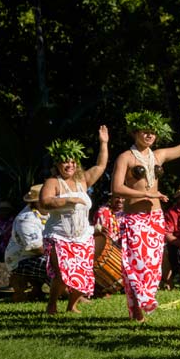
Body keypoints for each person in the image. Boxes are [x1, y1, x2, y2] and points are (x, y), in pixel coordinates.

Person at [112, 105, 180, 321]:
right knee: (135, 264)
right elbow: (116, 188)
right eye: (145, 131)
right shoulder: (125, 157)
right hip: (135, 218)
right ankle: (137, 308)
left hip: (154, 219)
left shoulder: (158, 155)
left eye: (153, 131)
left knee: (152, 266)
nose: (149, 135)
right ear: (135, 132)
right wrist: (148, 195)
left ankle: (140, 305)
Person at [40, 127, 110, 314]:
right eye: (65, 161)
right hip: (59, 236)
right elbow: (45, 202)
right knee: (63, 273)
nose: (69, 165)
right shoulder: (53, 182)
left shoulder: (83, 181)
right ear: (57, 164)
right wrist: (68, 199)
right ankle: (52, 304)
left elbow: (101, 166)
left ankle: (72, 305)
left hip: (82, 237)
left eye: (72, 161)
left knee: (84, 274)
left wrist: (103, 143)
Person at [5, 185, 50, 301]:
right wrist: (58, 253)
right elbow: (35, 248)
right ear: (36, 202)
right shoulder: (26, 219)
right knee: (55, 264)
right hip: (21, 260)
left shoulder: (49, 213)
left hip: (41, 253)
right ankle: (69, 294)